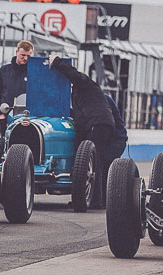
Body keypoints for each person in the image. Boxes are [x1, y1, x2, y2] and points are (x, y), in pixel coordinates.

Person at [48, 55, 115, 207]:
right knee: (95, 163)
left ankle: (94, 200)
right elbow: (79, 116)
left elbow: (73, 74)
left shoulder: (86, 84)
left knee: (91, 163)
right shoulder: (81, 95)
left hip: (98, 124)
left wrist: (57, 61)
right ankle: (95, 199)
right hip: (101, 124)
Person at [0, 41, 33, 134]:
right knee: (6, 141)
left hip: (28, 117)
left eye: (28, 56)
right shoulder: (5, 70)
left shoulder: (34, 73)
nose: (25, 58)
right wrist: (0, 113)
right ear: (16, 52)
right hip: (6, 115)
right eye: (22, 55)